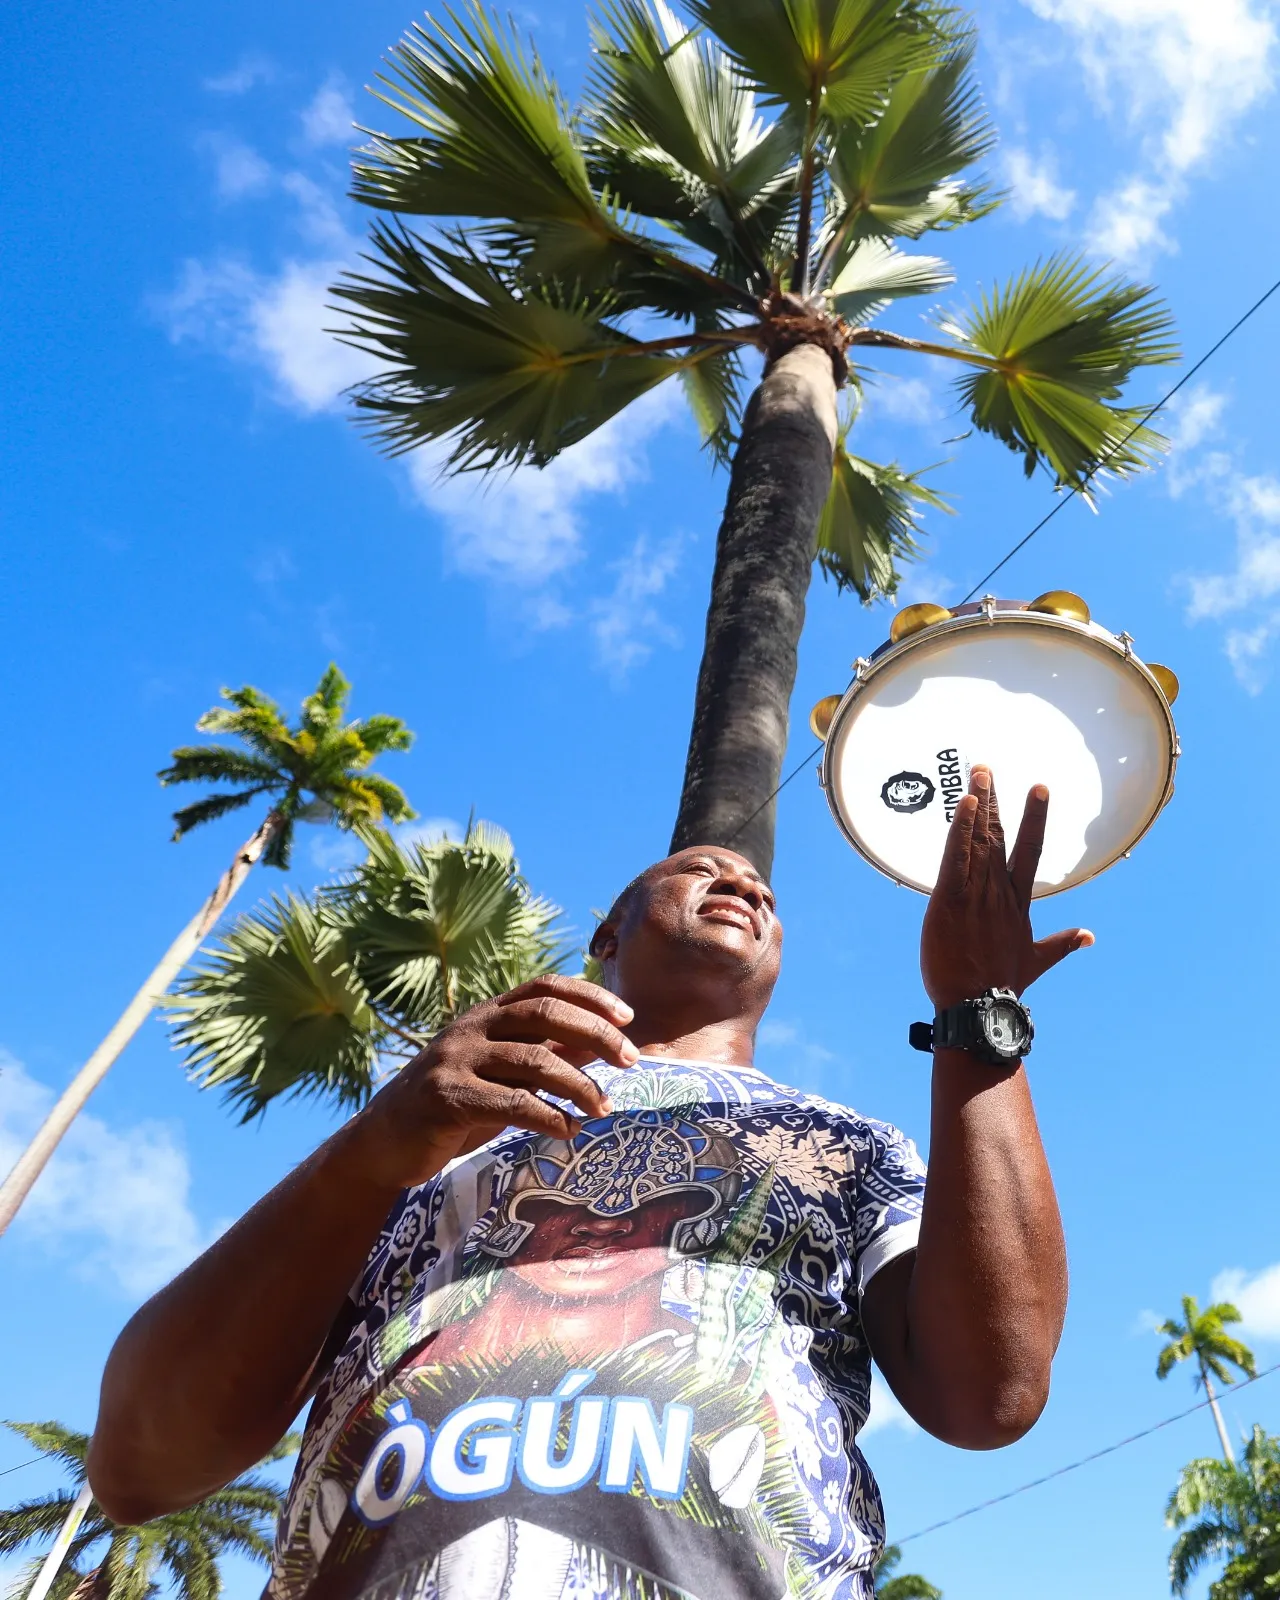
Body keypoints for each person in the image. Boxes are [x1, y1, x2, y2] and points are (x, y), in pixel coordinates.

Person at [88, 768, 1089, 1600]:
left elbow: (990, 1392)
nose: (740, 881)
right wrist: (385, 1135)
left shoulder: (846, 1143)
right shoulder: (437, 1131)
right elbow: (138, 1465)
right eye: (696, 868)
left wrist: (976, 1012)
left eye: (762, 892)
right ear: (606, 938)